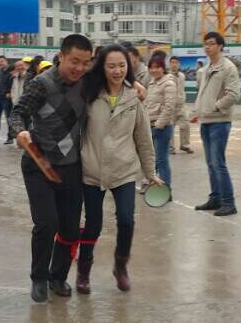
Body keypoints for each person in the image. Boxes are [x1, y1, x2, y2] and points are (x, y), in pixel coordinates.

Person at [9, 34, 93, 303]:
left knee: (70, 228)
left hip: (71, 166)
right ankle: (39, 278)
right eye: (74, 61)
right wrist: (20, 131)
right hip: (39, 163)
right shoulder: (41, 84)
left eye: (85, 63)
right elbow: (18, 113)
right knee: (46, 224)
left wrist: (135, 84)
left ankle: (58, 276)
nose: (80, 68)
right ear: (61, 56)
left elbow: (117, 77)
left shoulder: (87, 83)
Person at [77, 45, 161, 295]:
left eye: (122, 65)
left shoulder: (134, 97)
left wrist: (151, 173)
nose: (117, 71)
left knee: (126, 220)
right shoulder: (89, 94)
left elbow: (143, 139)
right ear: (102, 67)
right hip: (92, 170)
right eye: (111, 66)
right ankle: (83, 271)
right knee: (93, 225)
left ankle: (120, 265)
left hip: (123, 170)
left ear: (129, 66)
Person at [193, 31, 240, 217]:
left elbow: (233, 95)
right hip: (206, 121)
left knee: (218, 162)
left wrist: (215, 107)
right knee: (211, 163)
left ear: (220, 46)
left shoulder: (227, 68)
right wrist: (198, 110)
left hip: (219, 121)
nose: (207, 47)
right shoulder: (206, 69)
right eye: (205, 44)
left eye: (211, 43)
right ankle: (215, 198)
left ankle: (229, 202)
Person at [145, 53, 177, 189]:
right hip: (151, 125)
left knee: (162, 159)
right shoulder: (152, 83)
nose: (154, 70)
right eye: (151, 67)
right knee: (154, 159)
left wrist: (158, 126)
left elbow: (169, 107)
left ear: (163, 68)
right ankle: (153, 185)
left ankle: (166, 190)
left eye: (157, 67)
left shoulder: (168, 83)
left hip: (162, 127)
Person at [168, 56, 193, 155]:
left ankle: (184, 145)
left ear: (179, 64)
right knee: (170, 126)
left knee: (185, 124)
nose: (174, 64)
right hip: (171, 105)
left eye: (176, 62)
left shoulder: (182, 76)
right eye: (172, 62)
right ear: (169, 64)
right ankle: (170, 147)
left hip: (181, 105)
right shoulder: (167, 76)